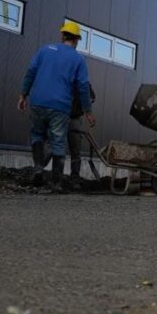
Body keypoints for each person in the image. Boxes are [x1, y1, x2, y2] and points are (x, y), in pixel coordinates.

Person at [17, 20, 95, 192]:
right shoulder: (78, 59)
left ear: (63, 36)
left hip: (38, 102)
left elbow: (30, 72)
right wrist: (88, 111)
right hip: (60, 106)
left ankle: (38, 168)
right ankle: (56, 183)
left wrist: (23, 95)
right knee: (58, 142)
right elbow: (83, 87)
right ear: (76, 39)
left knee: (37, 135)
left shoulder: (44, 50)